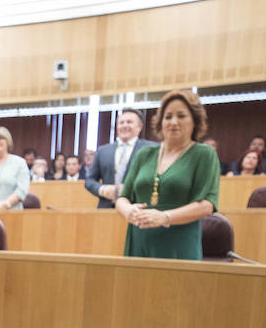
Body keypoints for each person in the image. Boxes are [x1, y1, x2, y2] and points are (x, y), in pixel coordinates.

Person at [116, 89, 220, 260]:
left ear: (195, 120)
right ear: (160, 122)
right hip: (139, 240)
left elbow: (206, 205)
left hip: (179, 243)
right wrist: (128, 211)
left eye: (181, 116)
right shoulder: (144, 154)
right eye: (168, 116)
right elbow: (123, 197)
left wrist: (165, 217)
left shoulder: (204, 154)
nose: (173, 122)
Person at [83, 108, 150, 209]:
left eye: (129, 122)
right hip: (106, 209)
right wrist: (102, 189)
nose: (124, 125)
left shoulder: (150, 149)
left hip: (137, 208)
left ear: (139, 127)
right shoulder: (103, 151)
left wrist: (130, 189)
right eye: (121, 122)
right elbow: (89, 180)